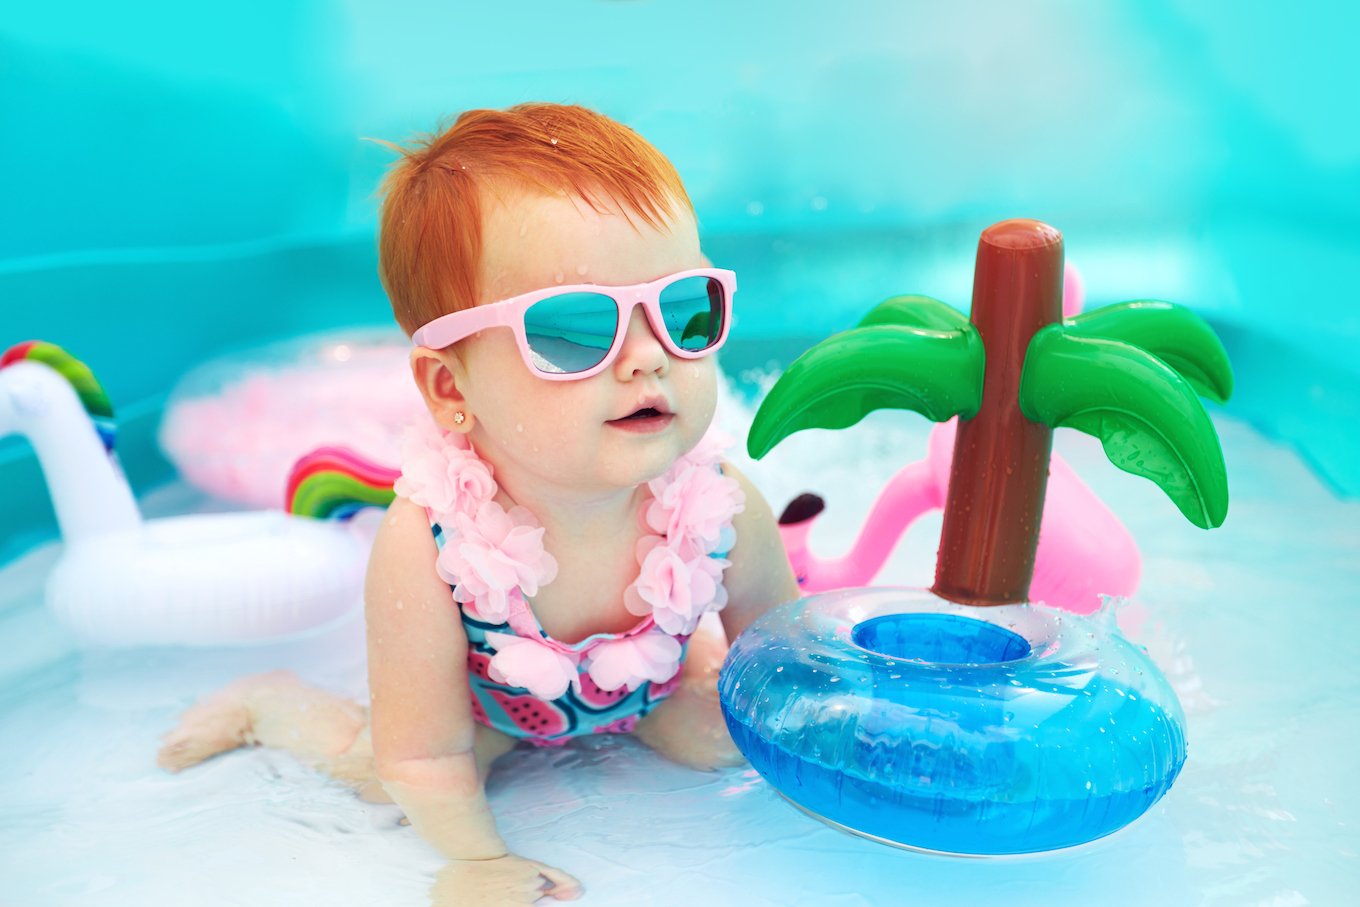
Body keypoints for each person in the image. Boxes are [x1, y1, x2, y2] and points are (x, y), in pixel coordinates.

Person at [158, 103, 800, 905]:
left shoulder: (723, 508)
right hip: (488, 713)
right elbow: (421, 753)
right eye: (572, 330)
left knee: (728, 744)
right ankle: (272, 703)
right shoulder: (427, 541)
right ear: (451, 387)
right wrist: (477, 859)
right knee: (380, 780)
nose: (647, 358)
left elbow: (786, 664)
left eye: (683, 309)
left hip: (651, 690)